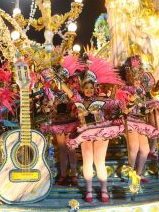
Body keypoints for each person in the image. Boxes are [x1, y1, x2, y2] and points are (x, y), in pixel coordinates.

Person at [53, 54, 124, 203]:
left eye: (91, 87)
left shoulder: (101, 100)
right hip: (85, 132)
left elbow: (116, 104)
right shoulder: (78, 99)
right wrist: (57, 79)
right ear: (82, 88)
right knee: (87, 161)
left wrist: (116, 93)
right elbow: (67, 91)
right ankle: (89, 191)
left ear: (95, 88)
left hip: (101, 131)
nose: (89, 90)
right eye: (86, 88)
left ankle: (104, 190)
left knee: (99, 162)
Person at [119, 55, 159, 183]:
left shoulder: (142, 90)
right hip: (129, 120)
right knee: (134, 147)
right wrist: (131, 102)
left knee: (145, 149)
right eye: (134, 78)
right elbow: (123, 108)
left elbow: (143, 106)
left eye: (139, 78)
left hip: (140, 121)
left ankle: (138, 174)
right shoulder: (124, 89)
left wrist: (149, 107)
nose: (137, 81)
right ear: (129, 77)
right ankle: (130, 172)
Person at [40, 54, 84, 186]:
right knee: (62, 148)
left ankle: (74, 174)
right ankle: (64, 175)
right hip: (57, 122)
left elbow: (77, 101)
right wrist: (47, 107)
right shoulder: (50, 92)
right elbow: (45, 106)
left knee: (70, 148)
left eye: (60, 78)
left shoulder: (70, 90)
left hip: (70, 122)